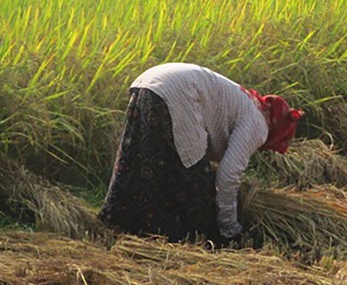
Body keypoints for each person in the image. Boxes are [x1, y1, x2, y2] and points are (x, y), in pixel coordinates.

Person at [99, 63, 303, 243]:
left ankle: (120, 224)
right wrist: (230, 229)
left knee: (141, 159)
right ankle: (181, 239)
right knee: (195, 180)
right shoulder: (259, 124)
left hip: (148, 82)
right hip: (178, 91)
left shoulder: (248, 102)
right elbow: (228, 176)